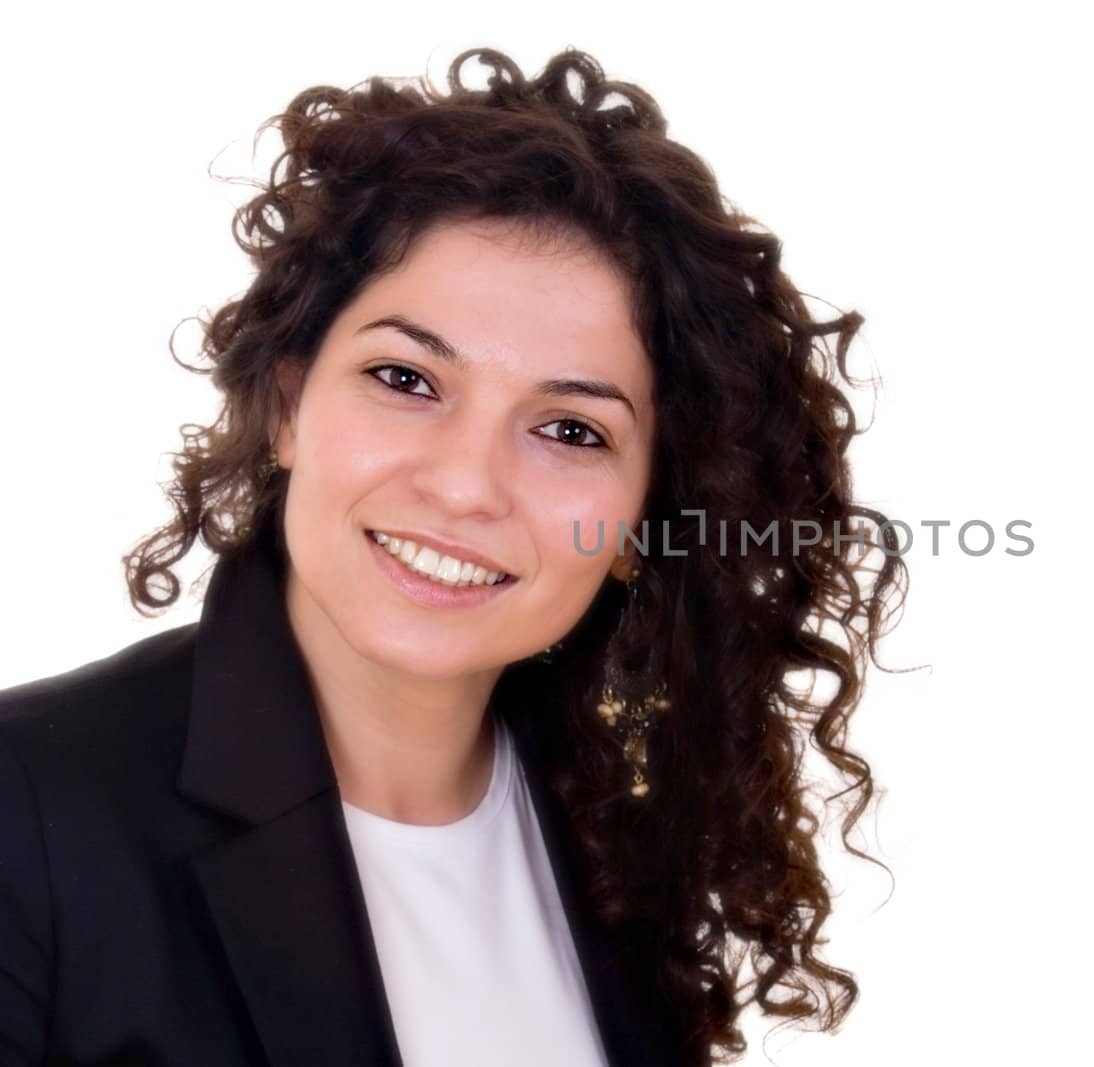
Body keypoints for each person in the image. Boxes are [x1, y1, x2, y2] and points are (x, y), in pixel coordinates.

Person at [0, 46, 905, 1067]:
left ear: (642, 524)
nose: (466, 482)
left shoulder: (618, 839)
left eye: (570, 430)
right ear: (290, 405)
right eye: (406, 376)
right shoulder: (26, 807)